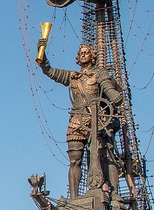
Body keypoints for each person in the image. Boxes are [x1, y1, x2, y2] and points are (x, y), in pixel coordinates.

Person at [39, 44, 122, 198]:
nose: (83, 55)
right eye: (81, 53)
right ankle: (74, 198)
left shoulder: (99, 73)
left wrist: (114, 96)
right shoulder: (73, 76)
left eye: (86, 53)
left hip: (96, 118)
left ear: (92, 56)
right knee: (74, 160)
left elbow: (107, 87)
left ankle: (113, 192)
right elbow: (51, 72)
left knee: (104, 154)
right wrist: (43, 58)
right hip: (77, 120)